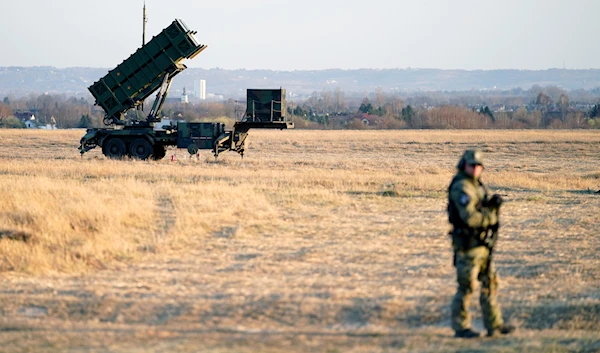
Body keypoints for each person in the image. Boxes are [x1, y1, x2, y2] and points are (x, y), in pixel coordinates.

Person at [447, 149, 515, 338]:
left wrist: (490, 205)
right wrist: (490, 216)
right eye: (472, 165)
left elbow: (479, 209)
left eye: (479, 166)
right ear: (464, 165)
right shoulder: (462, 187)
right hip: (468, 245)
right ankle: (461, 327)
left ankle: (494, 324)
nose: (476, 169)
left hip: (482, 244)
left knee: (490, 284)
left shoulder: (476, 185)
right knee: (467, 287)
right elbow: (469, 217)